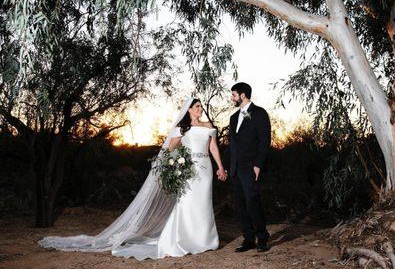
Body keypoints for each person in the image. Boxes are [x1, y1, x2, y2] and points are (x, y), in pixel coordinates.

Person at [38, 97, 227, 260]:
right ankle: (183, 241)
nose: (200, 110)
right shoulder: (181, 129)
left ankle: (204, 241)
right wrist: (178, 165)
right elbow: (169, 151)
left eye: (201, 107)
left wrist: (220, 167)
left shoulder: (208, 126)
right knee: (186, 203)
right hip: (188, 170)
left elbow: (213, 148)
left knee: (203, 203)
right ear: (188, 110)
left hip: (205, 169)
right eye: (196, 107)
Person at [228, 82, 271, 253]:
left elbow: (264, 141)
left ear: (243, 95)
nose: (232, 98)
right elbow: (233, 145)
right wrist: (227, 167)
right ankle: (248, 239)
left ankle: (262, 238)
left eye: (233, 95)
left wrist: (258, 165)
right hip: (235, 168)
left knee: (253, 201)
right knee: (240, 204)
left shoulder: (260, 113)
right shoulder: (233, 117)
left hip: (251, 167)